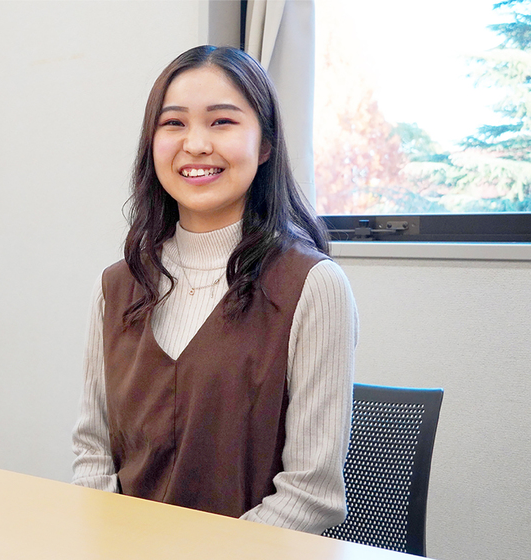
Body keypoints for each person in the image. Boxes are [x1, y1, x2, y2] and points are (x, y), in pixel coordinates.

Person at [71, 45, 358, 535]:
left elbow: (312, 496)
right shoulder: (116, 286)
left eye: (222, 122)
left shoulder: (313, 286)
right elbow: (92, 454)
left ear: (265, 145)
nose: (196, 144)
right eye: (174, 123)